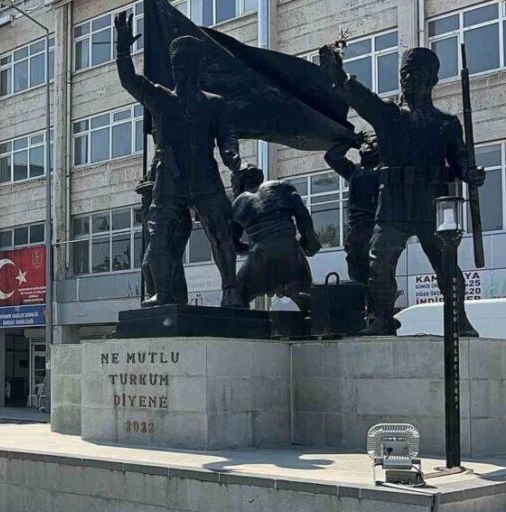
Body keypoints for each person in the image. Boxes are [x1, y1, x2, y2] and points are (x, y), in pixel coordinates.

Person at [319, 45, 485, 335]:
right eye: (404, 75)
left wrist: (471, 172)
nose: (408, 80)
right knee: (380, 264)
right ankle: (383, 319)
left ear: (432, 80)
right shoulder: (387, 114)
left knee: (445, 264)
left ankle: (458, 318)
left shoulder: (446, 123)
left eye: (416, 75)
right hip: (393, 204)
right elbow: (360, 98)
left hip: (429, 204)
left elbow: (460, 159)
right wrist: (338, 75)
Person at [115, 15, 244, 308]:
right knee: (158, 235)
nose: (181, 71)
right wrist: (122, 48)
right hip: (169, 177)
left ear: (197, 68)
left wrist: (231, 155)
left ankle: (230, 290)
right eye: (177, 66)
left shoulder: (214, 103)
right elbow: (129, 80)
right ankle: (163, 291)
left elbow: (227, 135)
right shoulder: (160, 98)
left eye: (186, 65)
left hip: (204, 176)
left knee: (221, 232)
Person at [231, 165, 321, 310]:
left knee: (237, 296)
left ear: (238, 183)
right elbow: (303, 215)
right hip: (289, 248)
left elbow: (232, 243)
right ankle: (319, 328)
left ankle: (247, 330)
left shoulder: (238, 203)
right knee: (309, 300)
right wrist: (309, 241)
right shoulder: (282, 187)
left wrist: (251, 250)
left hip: (260, 253)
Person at [325, 133, 380, 286]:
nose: (367, 146)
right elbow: (332, 156)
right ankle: (362, 303)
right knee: (357, 274)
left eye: (373, 143)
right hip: (356, 231)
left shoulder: (384, 170)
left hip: (375, 228)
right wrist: (350, 141)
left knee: (378, 274)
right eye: (366, 143)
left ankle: (376, 304)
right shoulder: (354, 171)